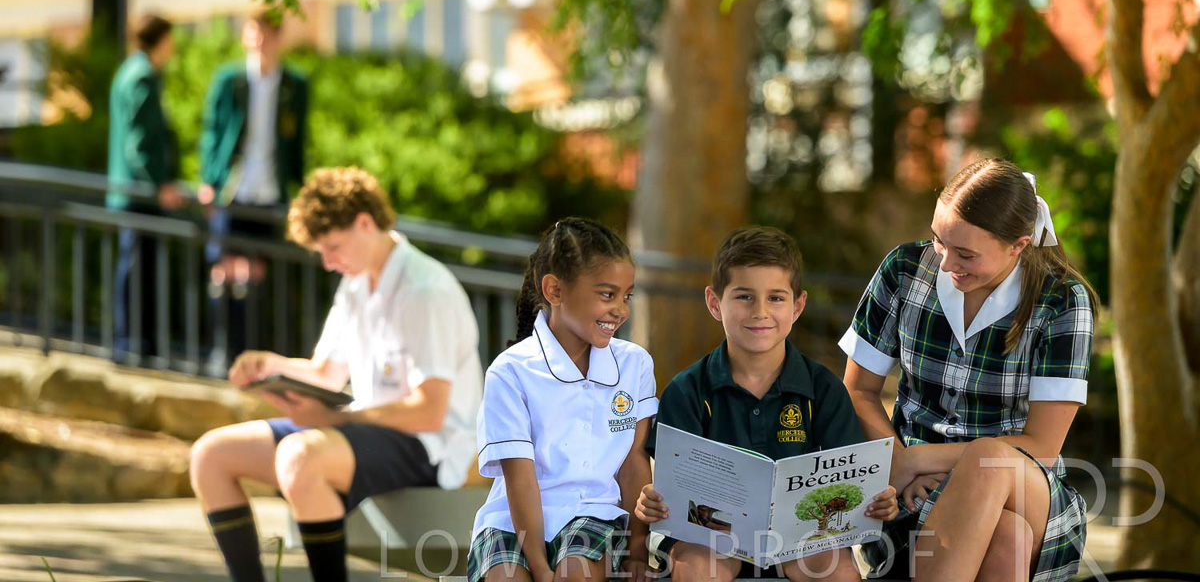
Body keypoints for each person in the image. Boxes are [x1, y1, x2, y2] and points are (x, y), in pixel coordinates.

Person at [189, 167, 484, 582]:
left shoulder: (424, 289)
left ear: (365, 223)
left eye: (332, 247)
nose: (328, 263)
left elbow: (429, 411)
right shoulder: (356, 284)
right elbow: (325, 373)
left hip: (432, 446)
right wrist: (271, 367)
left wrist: (336, 418)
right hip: (369, 429)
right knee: (210, 456)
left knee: (299, 456)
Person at [839, 158, 1096, 582]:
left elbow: (1042, 447)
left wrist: (917, 458)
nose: (944, 262)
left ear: (1018, 245)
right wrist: (898, 461)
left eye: (965, 254)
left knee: (988, 457)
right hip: (910, 490)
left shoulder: (1062, 301)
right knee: (1007, 538)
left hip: (1026, 490)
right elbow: (858, 391)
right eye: (938, 240)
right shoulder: (904, 270)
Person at [636, 226, 899, 582]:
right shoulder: (686, 391)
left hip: (803, 536)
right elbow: (673, 491)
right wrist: (652, 502)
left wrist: (877, 502)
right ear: (714, 303)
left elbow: (853, 482)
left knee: (837, 570)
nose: (760, 311)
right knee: (698, 568)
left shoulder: (824, 389)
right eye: (744, 296)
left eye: (775, 298)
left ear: (798, 305)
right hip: (709, 535)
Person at [468, 218, 657, 582]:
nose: (621, 309)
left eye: (627, 296)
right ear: (554, 290)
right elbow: (520, 480)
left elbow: (634, 463)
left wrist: (637, 551)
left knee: (577, 571)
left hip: (596, 514)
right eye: (607, 294)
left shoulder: (635, 364)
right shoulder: (509, 371)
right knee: (506, 576)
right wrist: (539, 568)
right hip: (511, 519)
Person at [199, 10, 308, 367]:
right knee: (225, 269)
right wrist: (209, 180)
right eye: (255, 32)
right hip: (235, 188)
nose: (261, 40)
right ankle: (223, 351)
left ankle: (250, 353)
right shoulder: (230, 79)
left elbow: (297, 141)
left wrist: (300, 189)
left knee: (256, 272)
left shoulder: (293, 84)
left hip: (269, 190)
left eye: (268, 33)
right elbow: (213, 131)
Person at [107, 13, 185, 360]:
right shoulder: (142, 76)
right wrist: (160, 184)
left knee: (135, 267)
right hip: (139, 194)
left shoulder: (128, 71)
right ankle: (134, 344)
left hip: (130, 190)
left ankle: (132, 343)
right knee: (139, 270)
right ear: (160, 40)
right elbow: (140, 143)